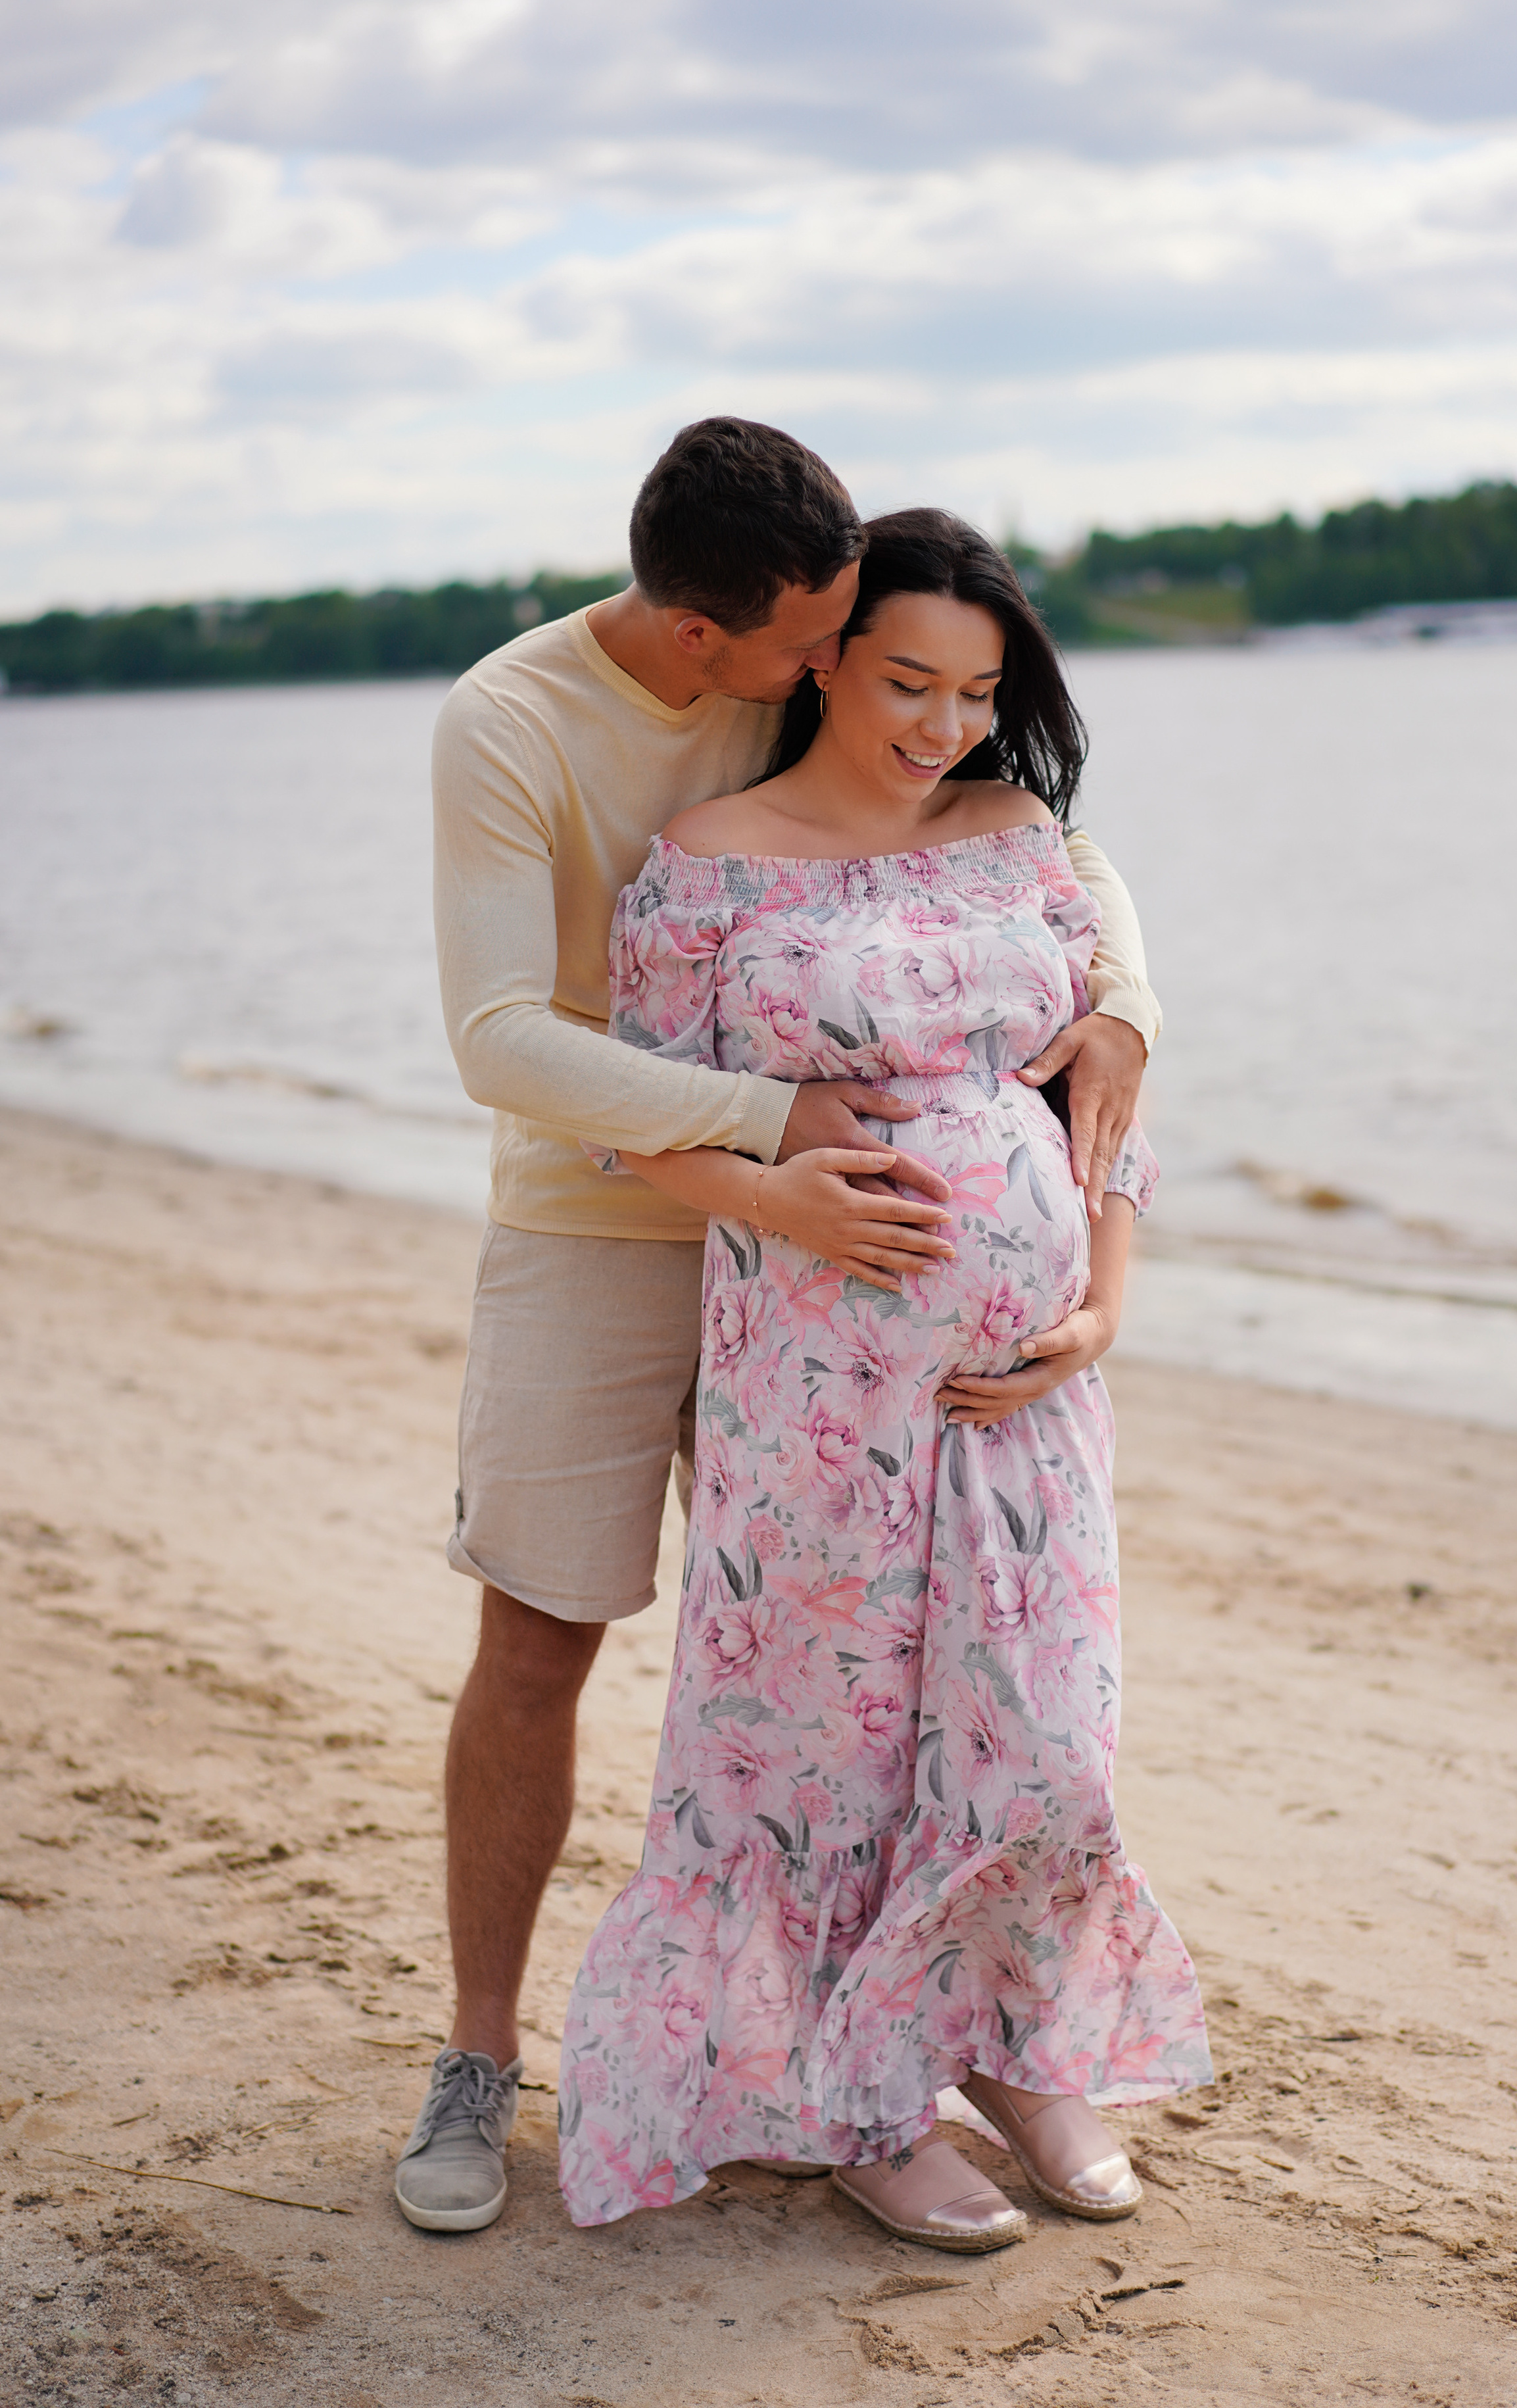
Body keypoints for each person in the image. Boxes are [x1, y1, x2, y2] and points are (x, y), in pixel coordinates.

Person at [398, 422, 1165, 2233]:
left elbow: (1050, 859)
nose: (854, 676)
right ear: (706, 642)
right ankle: (482, 2055)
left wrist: (1129, 1003)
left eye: (876, 646)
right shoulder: (516, 729)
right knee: (554, 1642)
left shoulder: (891, 703)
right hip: (623, 1229)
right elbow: (506, 1041)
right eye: (832, 652)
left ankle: (985, 2039)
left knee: (996, 1713)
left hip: (930, 1344)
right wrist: (769, 1158)